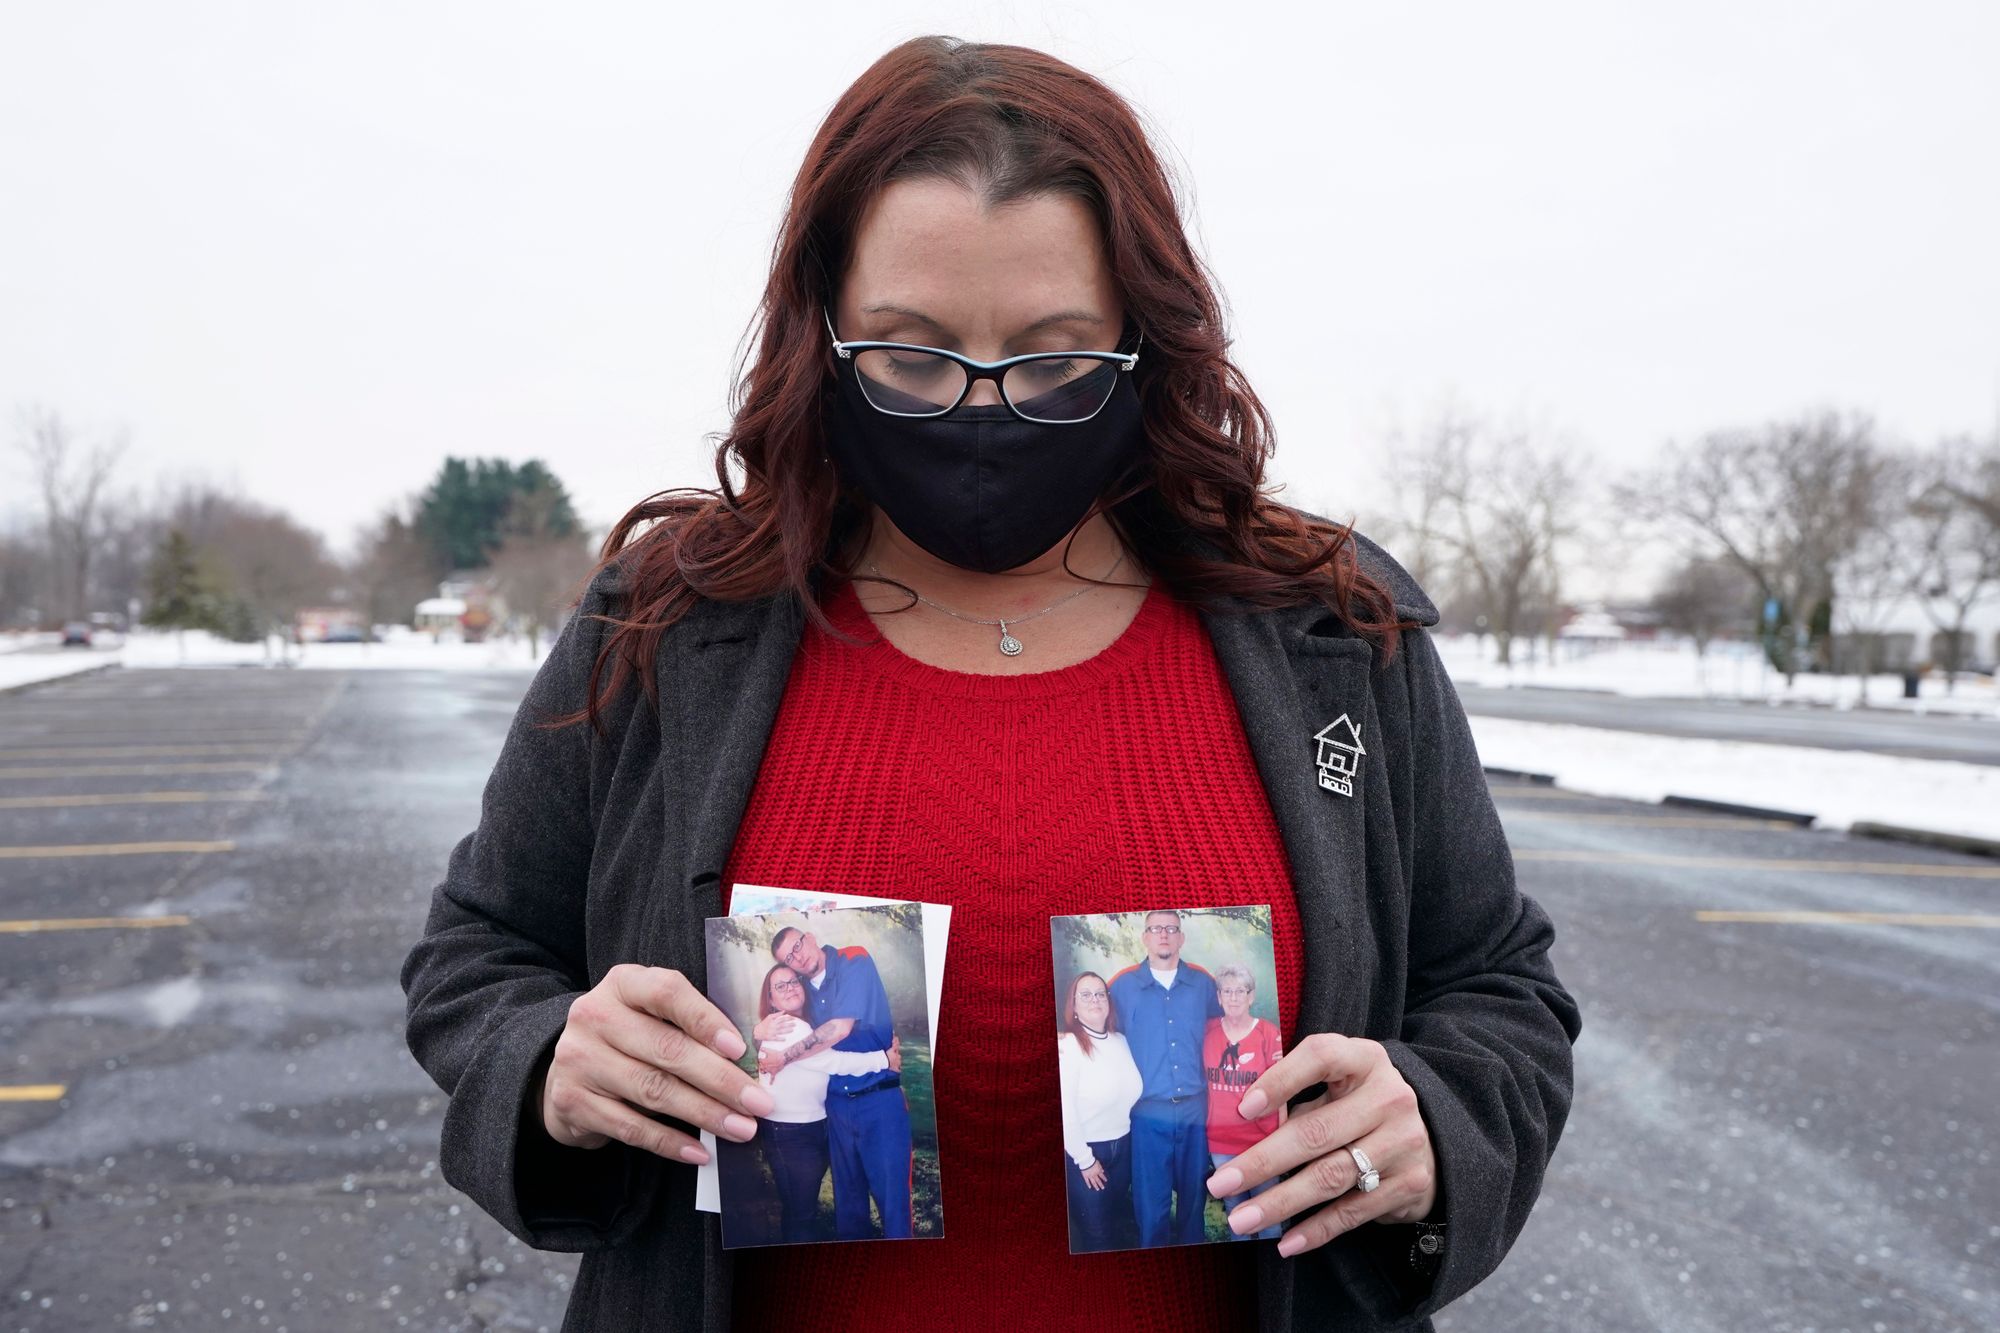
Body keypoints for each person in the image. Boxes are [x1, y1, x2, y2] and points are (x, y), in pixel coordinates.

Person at [401, 34, 1580, 1333]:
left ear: (1147, 337)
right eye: (909, 355)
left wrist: (1435, 1125)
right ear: (820, 328)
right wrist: (551, 1064)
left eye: (1053, 356)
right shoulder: (671, 625)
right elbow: (480, 953)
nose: (981, 410)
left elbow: (1497, 987)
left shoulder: (1335, 635)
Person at [755, 925, 913, 1240]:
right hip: (836, 1109)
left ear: (811, 936)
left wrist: (784, 1057)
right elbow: (794, 1030)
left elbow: (839, 1028)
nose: (796, 956)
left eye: (797, 944)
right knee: (849, 1207)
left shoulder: (853, 960)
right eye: (788, 956)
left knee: (893, 1204)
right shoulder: (802, 992)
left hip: (878, 1100)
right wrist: (760, 1032)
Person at [1107, 910, 1223, 1247]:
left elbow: (1224, 1032)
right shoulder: (1122, 986)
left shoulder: (1203, 983)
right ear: (1144, 937)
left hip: (1195, 1112)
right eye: (1155, 929)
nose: (1163, 935)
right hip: (1146, 1114)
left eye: (1171, 929)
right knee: (1151, 1208)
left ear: (1181, 938)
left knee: (1193, 1203)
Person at [1057, 971, 1144, 1253]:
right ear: (1074, 1005)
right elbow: (1064, 1111)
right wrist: (1085, 1160)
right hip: (1087, 1154)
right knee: (1098, 1236)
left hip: (1123, 1149)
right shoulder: (1067, 1046)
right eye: (1086, 994)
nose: (1094, 999)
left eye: (1100, 993)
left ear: (1108, 1002)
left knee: (1113, 1224)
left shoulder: (1121, 1041)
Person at [1203, 964, 1284, 1241]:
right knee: (1235, 1210)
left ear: (1251, 996)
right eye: (1228, 991)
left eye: (1240, 991)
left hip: (1262, 1140)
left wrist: (1282, 1136)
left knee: (1267, 1212)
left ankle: (1273, 1270)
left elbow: (1281, 1088)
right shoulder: (1208, 1032)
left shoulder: (1268, 1033)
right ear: (1219, 997)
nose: (1234, 997)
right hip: (1221, 1141)